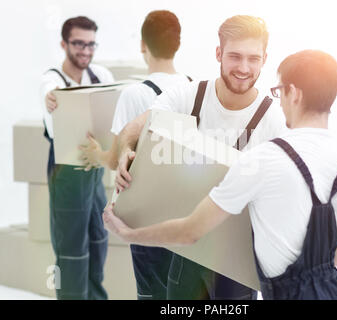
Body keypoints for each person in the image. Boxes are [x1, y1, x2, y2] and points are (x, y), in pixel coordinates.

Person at [103, 49, 337, 300]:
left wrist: (128, 234)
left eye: (280, 92)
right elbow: (333, 259)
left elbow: (190, 232)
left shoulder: (264, 159)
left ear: (294, 94)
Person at [112, 15, 286, 300]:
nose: (244, 68)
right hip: (187, 253)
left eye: (253, 59)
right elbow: (137, 126)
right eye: (234, 56)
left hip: (236, 261)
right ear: (218, 53)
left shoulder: (274, 120)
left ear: (265, 59)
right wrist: (124, 153)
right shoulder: (189, 96)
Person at [79, 10, 192, 300]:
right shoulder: (193, 88)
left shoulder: (135, 94)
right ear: (177, 43)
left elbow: (118, 159)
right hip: (188, 211)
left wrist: (96, 154)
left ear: (143, 44)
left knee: (151, 294)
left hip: (147, 215)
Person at [39, 16, 114, 300]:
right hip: (66, 171)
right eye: (79, 43)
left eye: (91, 44)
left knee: (98, 239)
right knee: (71, 249)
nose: (86, 50)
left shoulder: (101, 75)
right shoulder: (52, 79)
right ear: (64, 43)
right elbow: (49, 96)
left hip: (94, 168)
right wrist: (52, 99)